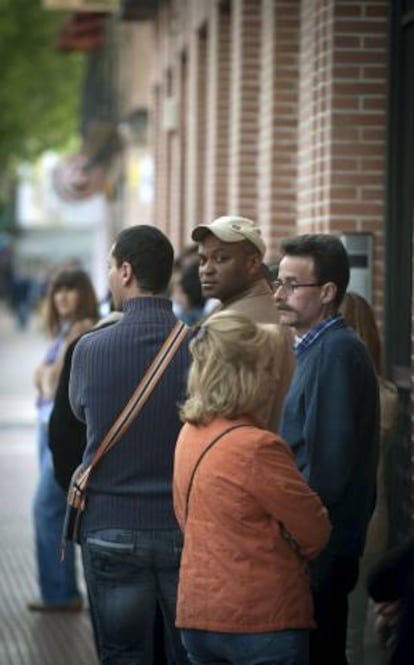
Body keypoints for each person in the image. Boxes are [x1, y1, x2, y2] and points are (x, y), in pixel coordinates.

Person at [173, 310, 331, 665]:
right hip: (261, 618)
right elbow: (316, 530)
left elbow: (187, 516)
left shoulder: (189, 434)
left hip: (198, 613)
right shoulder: (257, 446)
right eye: (265, 367)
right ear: (244, 375)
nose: (274, 377)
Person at [69, 225, 191, 665]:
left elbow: (81, 414)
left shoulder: (89, 348)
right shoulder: (200, 347)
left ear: (126, 271)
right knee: (187, 652)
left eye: (109, 267)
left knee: (123, 653)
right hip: (184, 527)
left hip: (110, 525)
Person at [275, 234, 380, 665]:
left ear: (328, 292)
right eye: (277, 282)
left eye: (292, 285)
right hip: (315, 547)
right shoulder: (317, 348)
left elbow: (328, 471)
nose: (279, 294)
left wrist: (299, 540)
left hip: (321, 551)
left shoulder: (336, 352)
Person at [29, 268, 98, 612]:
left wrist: (44, 379)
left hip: (60, 435)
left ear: (83, 294)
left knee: (47, 509)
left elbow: (53, 385)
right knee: (52, 510)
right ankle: (61, 591)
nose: (62, 297)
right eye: (58, 290)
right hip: (44, 429)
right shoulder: (62, 332)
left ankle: (61, 594)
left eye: (70, 290)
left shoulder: (83, 331)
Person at [191, 215, 295, 430]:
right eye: (202, 260)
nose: (206, 269)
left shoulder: (239, 327)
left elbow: (223, 411)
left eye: (220, 258)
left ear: (253, 263)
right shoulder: (252, 310)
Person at [340, 292, 399, 665]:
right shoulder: (386, 394)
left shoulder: (375, 397)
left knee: (347, 635)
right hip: (369, 520)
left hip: (359, 522)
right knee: (348, 630)